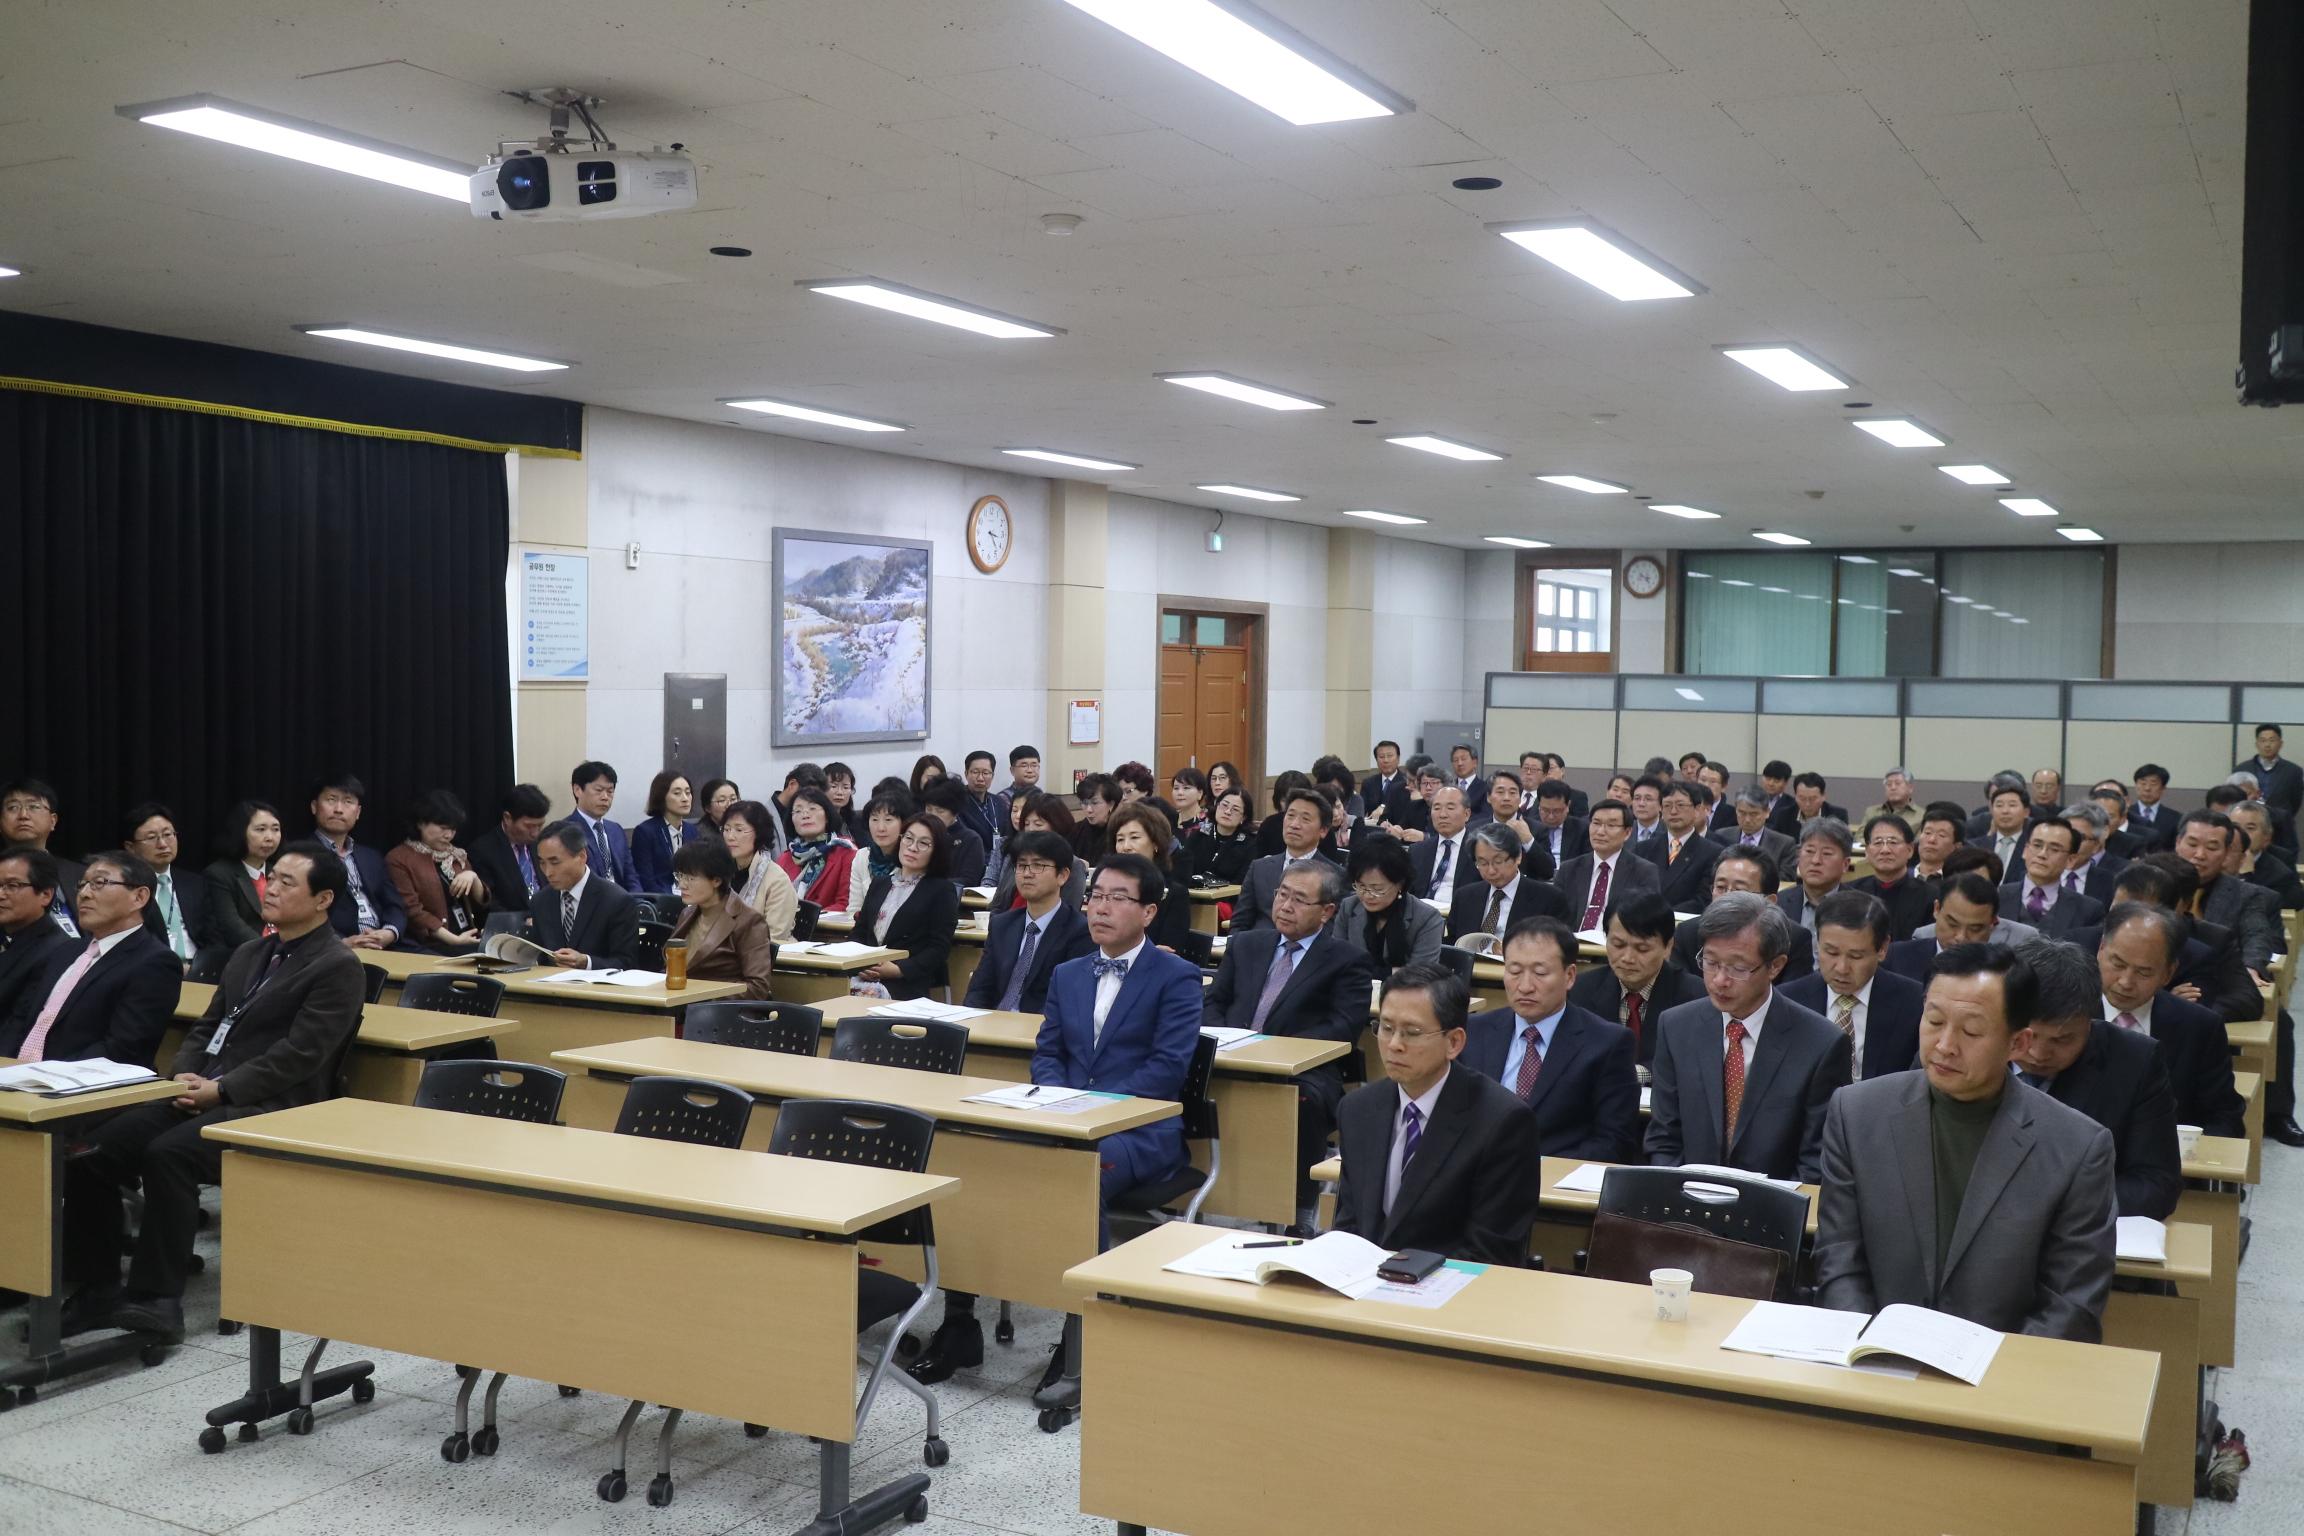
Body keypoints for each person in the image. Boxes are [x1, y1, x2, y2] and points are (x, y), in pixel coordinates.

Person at [59, 842, 366, 1340]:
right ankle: (96, 1288)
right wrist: (185, 1074)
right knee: (92, 1150)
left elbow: (301, 1054)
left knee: (169, 1155)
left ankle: (157, 1299)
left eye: (287, 882)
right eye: (272, 877)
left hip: (274, 1106)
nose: (271, 888)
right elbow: (206, 1027)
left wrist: (221, 1089)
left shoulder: (337, 965)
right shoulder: (250, 953)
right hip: (206, 1090)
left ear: (323, 899)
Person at [1814, 943, 2116, 1341]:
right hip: (1874, 1356)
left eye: (1971, 1031)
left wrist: (1993, 1367)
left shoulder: (2077, 1146)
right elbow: (1839, 1260)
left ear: (2018, 1043)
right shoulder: (1857, 1113)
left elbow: (2070, 1302)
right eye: (1934, 1021)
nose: (1944, 1045)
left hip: (2003, 1367)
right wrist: (1868, 1346)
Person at [1029, 853, 1205, 1407]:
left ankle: (1082, 1338)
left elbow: (1166, 1069)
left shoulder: (1176, 977)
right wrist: (1061, 1102)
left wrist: (1093, 1109)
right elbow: (1047, 1053)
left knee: (1081, 1177)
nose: (1101, 908)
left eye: (1118, 898)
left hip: (1138, 1131)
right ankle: (962, 1315)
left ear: (1148, 912)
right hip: (1066, 1119)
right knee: (990, 1159)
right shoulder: (1067, 973)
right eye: (1096, 896)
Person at [1333, 962, 1540, 1265]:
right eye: (1386, 1028)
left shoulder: (1503, 1121)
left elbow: (1491, 1251)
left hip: (1451, 1284)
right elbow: (1350, 1225)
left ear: (1454, 1042)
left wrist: (1397, 1277)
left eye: (1412, 1033)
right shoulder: (1357, 1109)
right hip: (1364, 1281)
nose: (1394, 1045)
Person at [1204, 860, 1374, 1227]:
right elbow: (1214, 1002)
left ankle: (1299, 1207)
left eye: (1299, 899)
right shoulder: (1246, 944)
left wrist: (1273, 1049)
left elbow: (1342, 1027)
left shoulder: (1347, 961)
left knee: (1304, 1101)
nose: (1285, 906)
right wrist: (1231, 1038)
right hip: (1231, 1059)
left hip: (1303, 1072)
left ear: (1326, 911)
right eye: (1282, 894)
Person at [1645, 893, 1849, 1181]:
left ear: (1775, 966)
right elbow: (1663, 1139)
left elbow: (1816, 1160)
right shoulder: (1676, 1026)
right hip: (1686, 1199)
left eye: (1738, 968)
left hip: (1776, 1202)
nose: (1720, 980)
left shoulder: (1822, 1044)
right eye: (1711, 962)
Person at [2011, 937, 2181, 1220]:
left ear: (2090, 1020)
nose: (2038, 1054)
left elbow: (2156, 1185)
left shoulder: (2135, 1061)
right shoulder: (1966, 1050)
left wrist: (2053, 1206)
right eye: (2026, 1036)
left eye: (2062, 1040)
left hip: (2078, 1230)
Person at [1462, 917, 1639, 1160]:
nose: (1525, 986)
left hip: (1555, 1174)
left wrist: (1534, 1168)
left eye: (1540, 973)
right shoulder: (1474, 1031)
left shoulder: (1608, 1043)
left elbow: (1614, 1142)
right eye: (1514, 971)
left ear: (1570, 976)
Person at [0, 850, 180, 1065]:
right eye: (82, 884)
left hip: (81, 1081)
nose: (84, 893)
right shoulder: (66, 951)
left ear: (139, 897)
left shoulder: (155, 963)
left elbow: (123, 1049)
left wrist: (44, 1073)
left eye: (99, 883)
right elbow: (20, 1022)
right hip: (18, 1075)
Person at [2098, 902, 2246, 1137]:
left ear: (2168, 973)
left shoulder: (2199, 1027)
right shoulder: (2067, 1010)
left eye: (2143, 972)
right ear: (2101, 950)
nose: (2125, 982)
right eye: (2118, 964)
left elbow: (2225, 1118)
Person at [1779, 891, 1924, 1082]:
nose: (1842, 968)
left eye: (1856, 956)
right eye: (1831, 953)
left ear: (1882, 948)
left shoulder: (1914, 1003)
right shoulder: (1787, 1000)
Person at [1568, 892, 1702, 1068]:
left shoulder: (1694, 997)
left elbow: (1688, 1062)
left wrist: (1628, 1073)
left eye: (1642, 948)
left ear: (1668, 947)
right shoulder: (1580, 990)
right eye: (1618, 945)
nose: (1627, 958)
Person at [964, 830, 1093, 1014]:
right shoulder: (1002, 925)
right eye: (1021, 865)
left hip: (1038, 1026)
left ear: (1063, 875)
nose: (1027, 873)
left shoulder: (1080, 931)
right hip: (994, 1022)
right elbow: (979, 990)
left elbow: (1067, 999)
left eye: (1038, 865)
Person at [850, 815, 962, 1001]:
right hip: (865, 973)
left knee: (857, 996)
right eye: (908, 838)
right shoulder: (880, 883)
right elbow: (859, 932)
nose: (912, 847)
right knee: (827, 991)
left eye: (923, 843)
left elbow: (938, 948)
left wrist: (898, 970)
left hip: (904, 981)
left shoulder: (941, 890)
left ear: (937, 851)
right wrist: (860, 964)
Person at [1667, 848, 1816, 982]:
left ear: (1769, 901)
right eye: (1721, 887)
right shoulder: (1687, 933)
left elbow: (1792, 995)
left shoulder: (1793, 940)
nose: (1727, 897)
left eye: (1739, 890)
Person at [663, 840, 776, 998]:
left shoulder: (748, 921)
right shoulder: (687, 914)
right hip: (679, 1003)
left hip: (718, 1009)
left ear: (716, 880)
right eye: (680, 876)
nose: (682, 884)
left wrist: (703, 998)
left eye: (690, 878)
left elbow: (758, 986)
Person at [2176, 810, 2279, 977]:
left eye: (2211, 848)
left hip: (2217, 980)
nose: (2200, 855)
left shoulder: (2246, 895)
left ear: (2226, 853)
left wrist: (2250, 969)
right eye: (2192, 844)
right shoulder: (2152, 883)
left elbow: (2256, 937)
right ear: (2178, 843)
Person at [309, 774, 406, 950]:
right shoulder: (300, 855)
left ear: (358, 812)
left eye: (348, 802)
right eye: (331, 800)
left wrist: (389, 932)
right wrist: (342, 943)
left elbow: (394, 905)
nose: (339, 809)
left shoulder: (371, 857)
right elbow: (301, 912)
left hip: (385, 945)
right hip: (334, 948)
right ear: (314, 806)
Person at [528, 821, 641, 969]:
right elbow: (541, 956)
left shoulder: (617, 901)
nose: (548, 872)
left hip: (598, 982)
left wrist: (586, 962)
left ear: (581, 856)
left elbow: (626, 962)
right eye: (542, 863)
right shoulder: (540, 901)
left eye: (555, 862)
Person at [384, 790, 487, 953]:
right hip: (431, 945)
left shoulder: (457, 855)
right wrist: (454, 940)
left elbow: (480, 903)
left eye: (453, 829)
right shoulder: (399, 858)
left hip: (468, 936)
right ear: (421, 823)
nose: (448, 835)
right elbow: (412, 911)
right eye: (443, 828)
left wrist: (473, 877)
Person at [117, 803, 213, 976]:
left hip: (199, 973)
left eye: (168, 834)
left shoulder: (195, 883)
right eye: (151, 837)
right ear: (130, 847)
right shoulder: (124, 888)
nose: (162, 844)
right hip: (151, 972)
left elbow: (215, 938)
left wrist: (201, 968)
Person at [1328, 837, 1444, 978]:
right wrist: (1391, 972)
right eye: (1361, 886)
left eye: (1377, 889)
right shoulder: (1349, 907)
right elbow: (1336, 963)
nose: (1368, 895)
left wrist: (1361, 971)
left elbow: (1419, 976)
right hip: (1353, 988)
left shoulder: (1427, 918)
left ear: (1400, 884)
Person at [1234, 788, 1339, 934]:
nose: (1294, 824)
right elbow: (1239, 923)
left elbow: (1333, 931)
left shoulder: (1336, 876)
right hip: (1258, 945)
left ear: (1323, 830)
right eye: (1290, 816)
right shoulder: (1259, 868)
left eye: (1305, 819)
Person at [1445, 822, 1568, 944]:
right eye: (1483, 863)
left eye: (1498, 861)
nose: (1491, 870)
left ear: (1518, 857)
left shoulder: (1549, 899)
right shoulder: (1464, 897)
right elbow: (1452, 944)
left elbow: (1554, 947)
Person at [1554, 799, 1659, 932]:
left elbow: (1646, 918)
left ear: (1627, 833)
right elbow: (1555, 914)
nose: (1600, 832)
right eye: (1596, 823)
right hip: (1573, 940)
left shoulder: (1643, 871)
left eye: (1611, 825)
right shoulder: (1568, 869)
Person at [1103, 800, 1191, 949]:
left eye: (1134, 838)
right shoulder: (1106, 889)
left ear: (1156, 843)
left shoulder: (1174, 894)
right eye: (1120, 839)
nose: (1125, 847)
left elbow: (1168, 950)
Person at [2, 777, 83, 933]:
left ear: (53, 821)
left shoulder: (80, 873)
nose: (23, 815)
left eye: (33, 806)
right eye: (13, 808)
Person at [0, 847, 71, 1024]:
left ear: (45, 895)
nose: (1, 894)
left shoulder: (57, 951)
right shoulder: (8, 938)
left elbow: (21, 1025)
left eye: (12, 886)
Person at [1999, 819, 2103, 938]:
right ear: (2025, 850)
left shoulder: (2088, 910)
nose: (2042, 854)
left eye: (2054, 849)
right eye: (2037, 845)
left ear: (2070, 860)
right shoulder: (1997, 896)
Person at [202, 800, 281, 951]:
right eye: (261, 829)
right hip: (249, 954)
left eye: (275, 829)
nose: (270, 837)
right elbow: (232, 927)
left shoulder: (280, 871)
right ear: (240, 832)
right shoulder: (219, 874)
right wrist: (273, 951)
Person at [716, 799, 799, 942]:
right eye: (727, 829)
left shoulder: (777, 881)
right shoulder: (721, 872)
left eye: (739, 830)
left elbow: (775, 936)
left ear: (759, 833)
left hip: (764, 952)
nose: (730, 837)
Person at [994, 795, 1092, 911]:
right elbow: (997, 905)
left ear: (1057, 826)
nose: (1030, 830)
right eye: (1026, 824)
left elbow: (1068, 912)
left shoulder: (1073, 866)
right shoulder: (1019, 859)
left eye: (1038, 824)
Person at [467, 785, 551, 914]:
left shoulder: (542, 844)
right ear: (507, 818)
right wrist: (523, 920)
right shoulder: (483, 851)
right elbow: (489, 902)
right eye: (529, 826)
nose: (535, 833)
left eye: (540, 825)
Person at [1637, 780, 1719, 910]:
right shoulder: (1643, 849)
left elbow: (1703, 899)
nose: (1674, 811)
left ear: (1697, 810)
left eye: (1680, 805)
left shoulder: (1712, 852)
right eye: (1667, 805)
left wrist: (1664, 914)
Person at [1847, 813, 1931, 940]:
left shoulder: (1929, 896)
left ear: (1910, 850)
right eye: (1878, 842)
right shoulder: (1851, 893)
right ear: (1867, 852)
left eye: (1893, 842)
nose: (1885, 850)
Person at [777, 788, 860, 913]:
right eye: (798, 811)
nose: (805, 815)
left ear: (827, 816)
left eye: (812, 809)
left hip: (827, 924)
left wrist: (808, 918)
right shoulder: (785, 858)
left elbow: (846, 904)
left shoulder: (847, 852)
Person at [568, 761, 641, 890]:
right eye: (598, 790)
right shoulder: (565, 831)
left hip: (622, 898)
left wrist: (637, 900)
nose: (605, 797)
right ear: (577, 790)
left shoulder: (616, 830)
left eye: (610, 791)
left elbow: (631, 876)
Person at [1776, 816, 1851, 935]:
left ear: (1845, 864)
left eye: (1827, 853)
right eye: (1809, 851)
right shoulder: (1778, 904)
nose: (1816, 860)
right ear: (1798, 856)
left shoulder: (1862, 908)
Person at [1408, 785, 1479, 910]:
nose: (1442, 815)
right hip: (1422, 914)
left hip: (1461, 913)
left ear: (1467, 814)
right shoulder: (1417, 850)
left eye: (1450, 808)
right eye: (1436, 808)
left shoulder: (1478, 849)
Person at [631, 771, 699, 895]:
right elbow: (646, 879)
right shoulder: (645, 831)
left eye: (688, 793)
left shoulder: (692, 830)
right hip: (661, 898)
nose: (685, 799)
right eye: (677, 793)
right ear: (661, 796)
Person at [2227, 800, 2304, 908]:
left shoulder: (2279, 873)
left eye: (2250, 828)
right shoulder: (2214, 859)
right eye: (2235, 827)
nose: (2241, 834)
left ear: (2267, 837)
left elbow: (2294, 902)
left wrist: (2246, 876)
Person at [1710, 784, 1797, 881]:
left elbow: (1785, 880)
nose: (1747, 820)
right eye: (1742, 813)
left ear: (1767, 812)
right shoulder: (1721, 835)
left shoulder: (1784, 844)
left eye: (1754, 814)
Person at [920, 780, 991, 888]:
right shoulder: (920, 834)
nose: (932, 816)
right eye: (929, 809)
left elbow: (969, 881)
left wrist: (930, 884)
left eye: (940, 811)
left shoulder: (971, 840)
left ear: (955, 812)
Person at [2059, 802, 2131, 907]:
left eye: (2080, 838)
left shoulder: (2112, 884)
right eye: (2066, 835)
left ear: (2096, 845)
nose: (2071, 843)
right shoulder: (2038, 875)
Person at [1184, 786, 1258, 885]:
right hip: (1193, 891)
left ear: (1243, 817)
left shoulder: (1249, 844)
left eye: (1235, 809)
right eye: (1224, 805)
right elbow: (1183, 870)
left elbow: (1243, 882)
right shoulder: (1198, 835)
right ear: (1217, 806)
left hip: (1230, 894)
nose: (1227, 812)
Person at [954, 751, 1008, 862]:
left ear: (992, 776)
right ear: (966, 774)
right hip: (970, 860)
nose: (980, 778)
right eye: (975, 772)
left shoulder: (999, 802)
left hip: (998, 862)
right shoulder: (957, 802)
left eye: (986, 773)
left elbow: (1007, 835)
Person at [1970, 782, 2032, 873]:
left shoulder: (2033, 848)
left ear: (2026, 812)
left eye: (2012, 805)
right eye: (1999, 805)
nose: (2005, 811)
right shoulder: (1974, 847)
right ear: (1991, 811)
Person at [1528, 778, 1588, 869]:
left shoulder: (1582, 829)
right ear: (1539, 805)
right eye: (1545, 810)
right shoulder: (1529, 828)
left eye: (1557, 811)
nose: (1551, 816)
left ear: (1568, 806)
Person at [1771, 771, 1846, 836]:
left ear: (1823, 796)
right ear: (1795, 795)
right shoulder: (1783, 815)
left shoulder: (1837, 815)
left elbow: (1842, 843)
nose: (1807, 804)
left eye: (1813, 799)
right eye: (1802, 798)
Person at [1361, 740, 1412, 827]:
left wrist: (1383, 807)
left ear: (1398, 759)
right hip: (1373, 829)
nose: (1386, 760)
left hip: (1398, 829)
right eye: (1381, 757)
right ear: (1376, 760)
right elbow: (1362, 810)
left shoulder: (1407, 782)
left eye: (1390, 756)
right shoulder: (1368, 783)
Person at [1073, 773, 1121, 863]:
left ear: (1111, 804)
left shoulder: (1120, 831)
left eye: (1095, 803)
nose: (1089, 809)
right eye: (1084, 803)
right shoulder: (1075, 830)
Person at [1913, 803, 1966, 883]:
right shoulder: (1900, 876)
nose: (1932, 840)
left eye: (1941, 835)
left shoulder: (1960, 883)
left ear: (1957, 846)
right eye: (1927, 833)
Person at [1168, 767, 1213, 840]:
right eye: (1176, 788)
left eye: (1186, 788)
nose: (1180, 793)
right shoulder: (1168, 820)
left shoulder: (1208, 821)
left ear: (1200, 793)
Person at [696, 777, 742, 846]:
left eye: (733, 799)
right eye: (722, 800)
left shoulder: (747, 828)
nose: (729, 805)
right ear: (708, 808)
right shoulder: (699, 836)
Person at [1625, 774, 1666, 847]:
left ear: (1661, 805)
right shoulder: (1624, 831)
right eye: (1637, 798)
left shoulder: (1669, 832)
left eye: (1648, 799)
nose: (1641, 804)